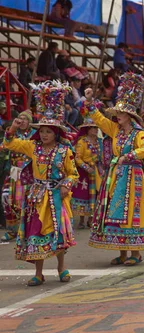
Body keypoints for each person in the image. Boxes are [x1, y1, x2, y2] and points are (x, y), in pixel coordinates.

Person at [3, 81, 78, 286]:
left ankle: (61, 267)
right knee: (35, 232)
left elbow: (73, 174)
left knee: (58, 233)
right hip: (36, 196)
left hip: (55, 196)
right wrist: (13, 129)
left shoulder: (64, 151)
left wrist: (66, 185)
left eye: (49, 131)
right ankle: (38, 273)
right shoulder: (32, 147)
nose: (44, 135)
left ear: (56, 133)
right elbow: (9, 144)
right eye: (42, 131)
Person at [83, 72, 144, 266]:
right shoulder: (114, 130)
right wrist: (89, 101)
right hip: (116, 176)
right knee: (115, 211)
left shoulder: (139, 133)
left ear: (129, 116)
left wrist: (128, 156)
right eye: (117, 113)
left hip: (133, 177)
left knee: (132, 212)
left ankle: (136, 253)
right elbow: (98, 118)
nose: (117, 116)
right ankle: (122, 252)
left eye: (120, 113)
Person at [2, 111, 35, 242]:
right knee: (8, 199)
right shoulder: (13, 133)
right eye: (20, 118)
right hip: (14, 171)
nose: (22, 121)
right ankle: (12, 230)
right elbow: (6, 143)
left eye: (25, 119)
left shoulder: (34, 135)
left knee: (26, 200)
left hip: (29, 171)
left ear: (29, 122)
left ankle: (26, 229)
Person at [71, 111, 103, 229]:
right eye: (93, 128)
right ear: (88, 129)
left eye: (96, 128)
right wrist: (86, 167)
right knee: (83, 195)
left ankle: (91, 219)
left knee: (96, 194)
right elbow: (77, 158)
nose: (95, 130)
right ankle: (81, 219)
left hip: (96, 172)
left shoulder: (99, 142)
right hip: (84, 173)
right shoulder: (82, 142)